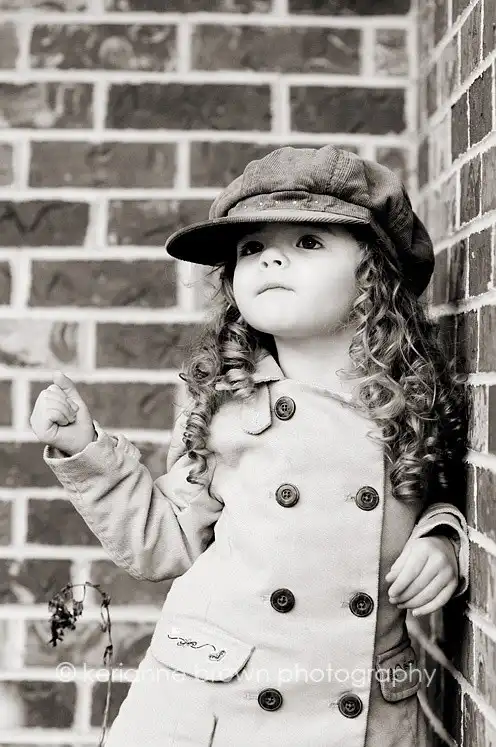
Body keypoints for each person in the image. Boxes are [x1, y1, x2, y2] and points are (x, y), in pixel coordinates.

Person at [30, 145, 470, 747]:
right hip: (217, 708)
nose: (271, 259)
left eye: (308, 242)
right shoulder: (223, 407)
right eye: (252, 248)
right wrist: (86, 449)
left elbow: (439, 495)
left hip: (356, 711)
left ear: (374, 276)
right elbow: (166, 543)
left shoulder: (410, 402)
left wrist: (442, 541)